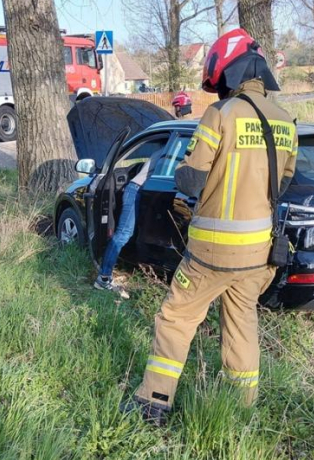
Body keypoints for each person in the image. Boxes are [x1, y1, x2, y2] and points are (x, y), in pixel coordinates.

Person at [122, 28, 299, 426]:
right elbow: (283, 183)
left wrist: (186, 166)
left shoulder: (221, 114)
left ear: (229, 73)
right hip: (259, 253)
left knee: (176, 319)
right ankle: (240, 412)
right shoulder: (287, 122)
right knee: (241, 327)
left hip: (211, 253)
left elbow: (190, 181)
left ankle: (153, 403)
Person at [94, 148, 165, 298]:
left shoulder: (166, 147)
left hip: (139, 190)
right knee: (123, 234)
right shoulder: (170, 148)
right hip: (135, 190)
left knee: (127, 233)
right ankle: (103, 278)